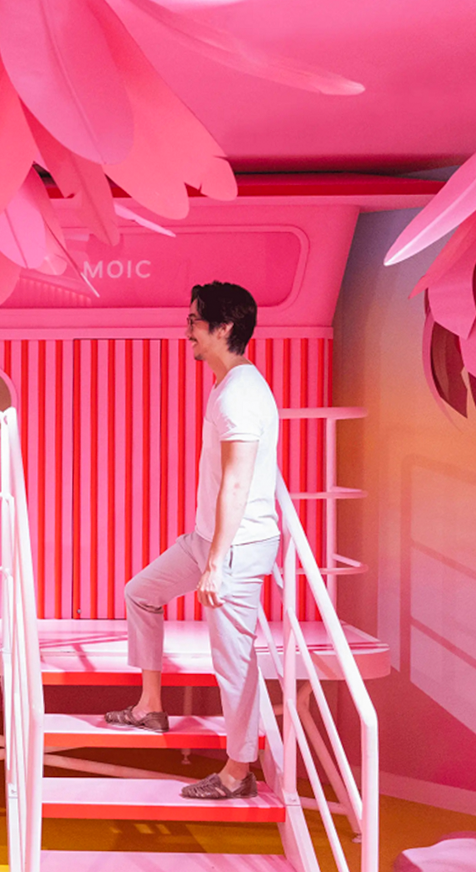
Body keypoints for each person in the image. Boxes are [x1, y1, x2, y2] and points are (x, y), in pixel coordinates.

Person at [104, 281, 281, 800]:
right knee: (141, 591)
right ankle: (150, 706)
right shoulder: (227, 388)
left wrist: (215, 562)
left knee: (233, 659)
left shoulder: (242, 397)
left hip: (234, 548)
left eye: (194, 323)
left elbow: (238, 482)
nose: (187, 332)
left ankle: (238, 770)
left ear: (223, 328)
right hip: (208, 538)